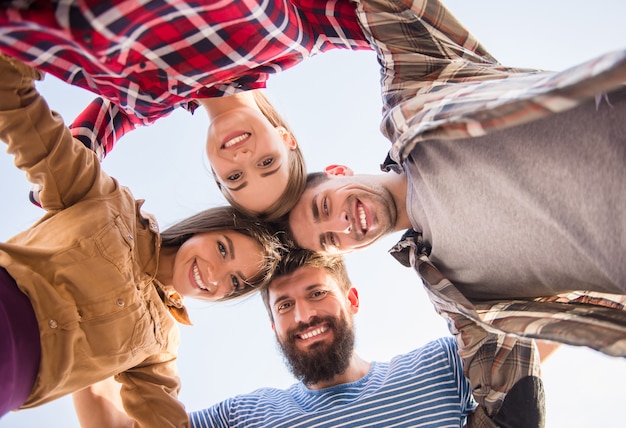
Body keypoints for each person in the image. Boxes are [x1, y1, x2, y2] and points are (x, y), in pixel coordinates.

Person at [281, 0, 626, 423]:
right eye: (330, 238)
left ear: (337, 172)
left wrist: (230, 104)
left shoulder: (417, 90)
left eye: (324, 206)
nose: (342, 222)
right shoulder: (458, 299)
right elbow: (511, 410)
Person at [0, 53, 283, 425]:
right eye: (222, 249)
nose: (215, 275)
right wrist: (22, 54)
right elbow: (31, 126)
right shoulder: (105, 200)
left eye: (233, 282)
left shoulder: (160, 348)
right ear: (201, 230)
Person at [73, 249, 549, 427]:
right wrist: (88, 310)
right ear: (273, 326)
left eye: (317, 293)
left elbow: (537, 323)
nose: (303, 315)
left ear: (352, 299)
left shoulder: (441, 368)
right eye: (284, 305)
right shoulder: (243, 417)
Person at [0, 0, 371, 218]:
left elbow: (59, 174)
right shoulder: (302, 36)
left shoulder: (143, 105)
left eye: (235, 178)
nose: (242, 158)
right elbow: (409, 23)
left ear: (215, 169)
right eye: (266, 164)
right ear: (286, 139)